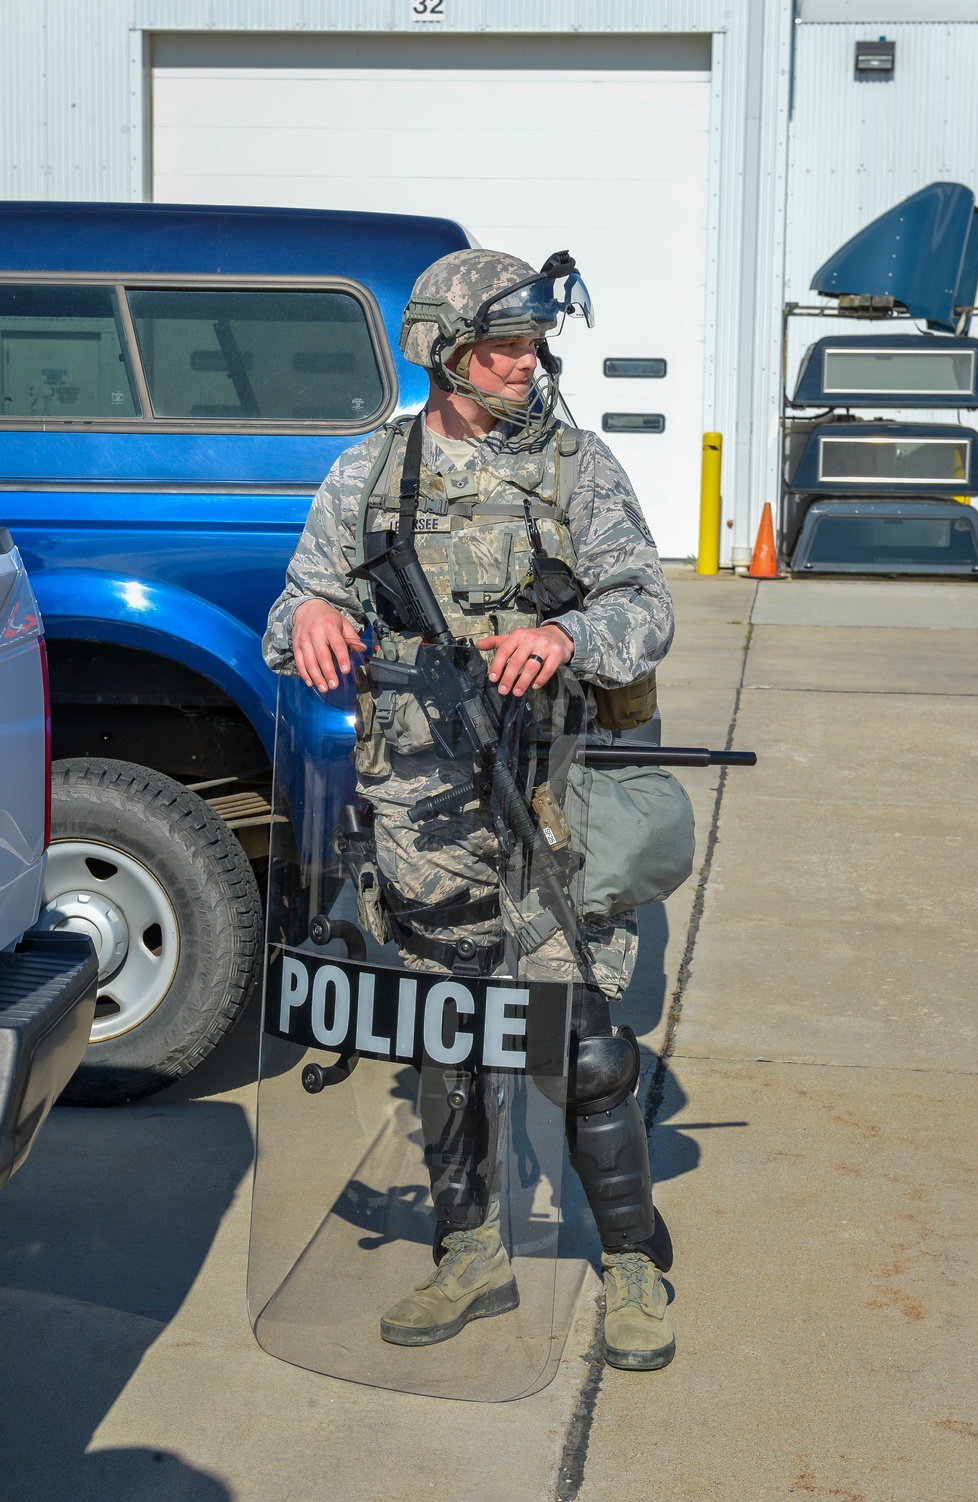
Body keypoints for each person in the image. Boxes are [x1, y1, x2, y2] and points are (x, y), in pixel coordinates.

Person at [263, 248, 678, 1371]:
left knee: (578, 1039)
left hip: (545, 795)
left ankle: (633, 1258)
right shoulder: (371, 471)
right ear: (445, 356)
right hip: (419, 801)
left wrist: (564, 636)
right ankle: (470, 1250)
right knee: (446, 1034)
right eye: (502, 349)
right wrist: (305, 618)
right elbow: (303, 590)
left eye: (534, 345)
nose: (526, 364)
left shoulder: (573, 468)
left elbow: (644, 604)